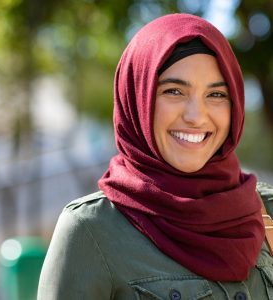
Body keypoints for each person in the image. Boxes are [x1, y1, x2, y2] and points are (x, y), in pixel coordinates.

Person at [37, 13, 273, 299]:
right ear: (137, 100)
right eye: (174, 91)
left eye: (216, 95)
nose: (196, 117)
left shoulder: (266, 210)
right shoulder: (91, 231)